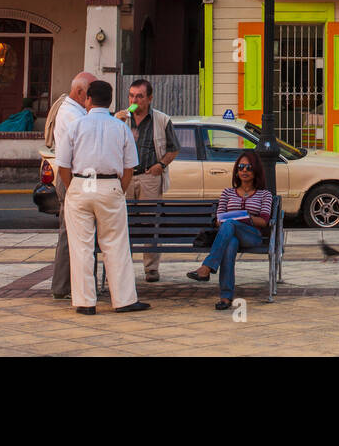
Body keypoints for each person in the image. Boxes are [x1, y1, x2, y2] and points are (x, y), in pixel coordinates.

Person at [58, 79, 149, 315]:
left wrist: (72, 188)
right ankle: (124, 300)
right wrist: (118, 188)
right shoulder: (120, 128)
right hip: (110, 185)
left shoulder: (76, 125)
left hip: (80, 183)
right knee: (116, 244)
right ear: (109, 101)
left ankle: (85, 302)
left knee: (81, 247)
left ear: (88, 99)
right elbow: (129, 168)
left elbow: (63, 166)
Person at [186, 149, 272, 310]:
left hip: (251, 235)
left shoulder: (264, 194)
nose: (244, 171)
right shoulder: (227, 193)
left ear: (256, 170)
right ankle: (225, 297)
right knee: (230, 242)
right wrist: (229, 220)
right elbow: (219, 220)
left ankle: (207, 267)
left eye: (248, 167)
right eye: (240, 167)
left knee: (230, 223)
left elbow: (264, 221)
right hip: (229, 233)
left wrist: (245, 217)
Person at [116, 78, 179, 282]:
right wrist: (115, 122)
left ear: (149, 98)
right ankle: (122, 266)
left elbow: (174, 148)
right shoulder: (121, 119)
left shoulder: (161, 120)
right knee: (123, 222)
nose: (135, 100)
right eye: (132, 96)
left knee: (150, 221)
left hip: (148, 175)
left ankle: (151, 268)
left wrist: (160, 165)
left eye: (140, 96)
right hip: (125, 175)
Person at [46, 72, 95, 300]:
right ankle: (62, 286)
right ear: (80, 93)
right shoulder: (70, 114)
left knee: (78, 233)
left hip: (77, 178)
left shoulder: (77, 111)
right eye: (90, 95)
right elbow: (87, 138)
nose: (92, 100)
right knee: (69, 233)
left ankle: (72, 284)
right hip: (71, 178)